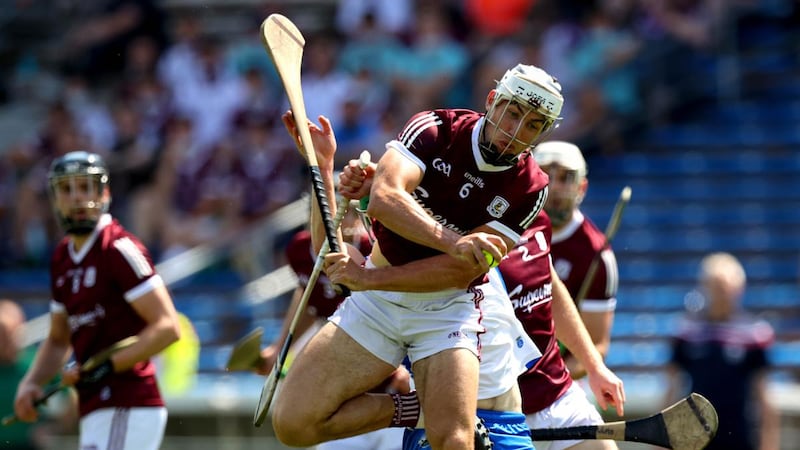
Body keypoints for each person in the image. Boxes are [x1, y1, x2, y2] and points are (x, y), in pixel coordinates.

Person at [272, 63, 625, 450]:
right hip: (378, 306)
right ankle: (416, 408)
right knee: (293, 423)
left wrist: (370, 280)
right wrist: (454, 241)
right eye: (513, 111)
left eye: (533, 124)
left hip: (448, 310)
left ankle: (440, 413)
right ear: (492, 101)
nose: (516, 129)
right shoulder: (435, 130)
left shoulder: (531, 187)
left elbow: (459, 274)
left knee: (454, 442)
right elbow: (387, 198)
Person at [13, 151, 181, 450]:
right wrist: (31, 383)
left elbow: (168, 326)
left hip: (128, 402)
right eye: (67, 189)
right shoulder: (62, 257)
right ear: (54, 198)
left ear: (103, 192)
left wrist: (109, 366)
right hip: (95, 407)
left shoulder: (118, 248)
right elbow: (57, 339)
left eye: (85, 187)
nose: (76, 198)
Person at [258, 200, 409, 450]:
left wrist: (406, 367)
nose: (346, 222)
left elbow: (400, 308)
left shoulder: (374, 249)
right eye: (340, 212)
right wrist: (279, 348)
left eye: (349, 213)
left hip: (391, 386)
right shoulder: (298, 250)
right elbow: (309, 296)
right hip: (340, 388)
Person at [497, 211, 620, 450]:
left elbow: (550, 284)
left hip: (557, 393)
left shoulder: (535, 214)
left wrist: (594, 366)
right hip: (499, 408)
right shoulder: (464, 225)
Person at [666, 252, 780, 450]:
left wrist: (768, 442)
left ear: (739, 289)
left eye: (726, 288)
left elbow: (764, 396)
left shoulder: (754, 334)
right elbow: (671, 390)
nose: (721, 294)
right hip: (696, 437)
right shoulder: (687, 331)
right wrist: (662, 438)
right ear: (705, 287)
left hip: (741, 436)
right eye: (716, 287)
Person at [533, 141, 618, 381]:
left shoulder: (596, 255)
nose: (555, 186)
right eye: (545, 174)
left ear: (582, 186)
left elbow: (596, 345)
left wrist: (547, 384)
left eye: (566, 177)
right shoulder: (502, 230)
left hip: (557, 383)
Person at [0, 299, 41, 450]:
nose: (5, 340)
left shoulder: (39, 365)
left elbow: (66, 409)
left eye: (10, 333)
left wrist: (53, 427)